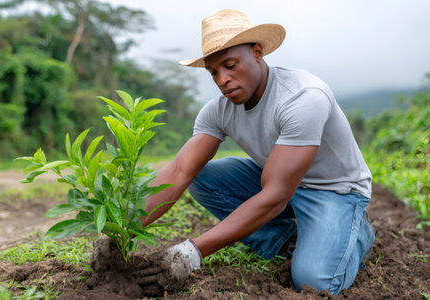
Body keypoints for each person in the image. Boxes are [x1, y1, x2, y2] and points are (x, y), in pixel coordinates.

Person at [138, 8, 375, 295]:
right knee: (203, 178)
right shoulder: (218, 111)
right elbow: (180, 171)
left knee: (314, 283)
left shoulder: (302, 97)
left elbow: (275, 197)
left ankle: (357, 234)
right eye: (214, 72)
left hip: (335, 191)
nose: (222, 79)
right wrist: (122, 227)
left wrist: (191, 253)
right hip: (280, 181)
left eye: (230, 65)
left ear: (258, 53)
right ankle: (285, 241)